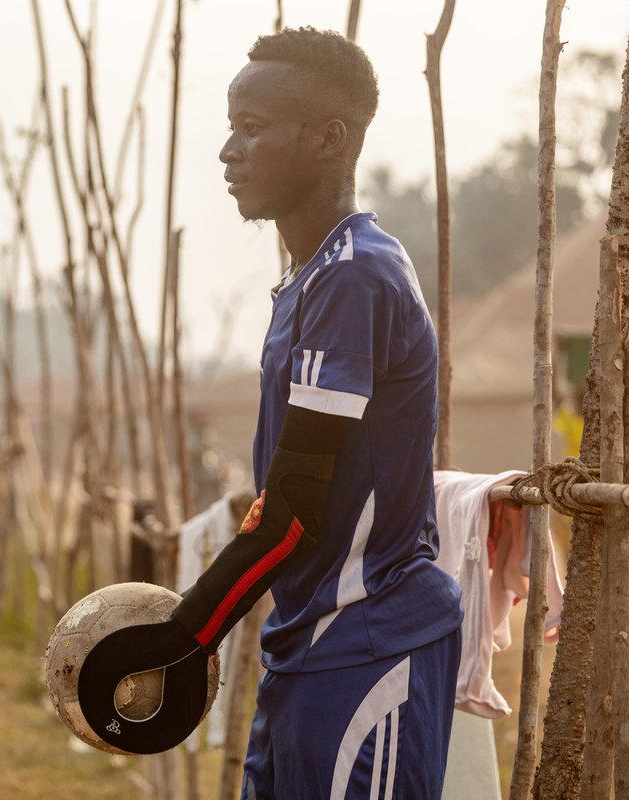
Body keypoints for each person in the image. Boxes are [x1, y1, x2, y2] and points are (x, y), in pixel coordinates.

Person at [83, 27, 463, 798]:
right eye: (231, 126)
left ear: (329, 140)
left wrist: (182, 636)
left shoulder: (357, 277)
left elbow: (290, 513)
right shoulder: (307, 280)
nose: (228, 151)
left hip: (369, 643)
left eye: (251, 129)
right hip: (305, 646)